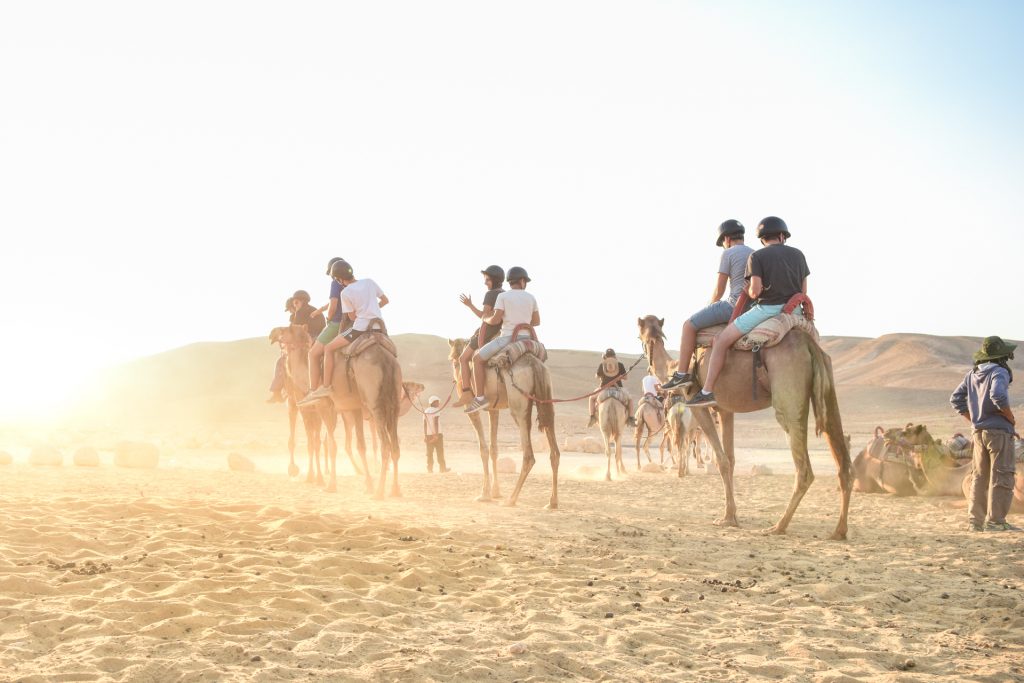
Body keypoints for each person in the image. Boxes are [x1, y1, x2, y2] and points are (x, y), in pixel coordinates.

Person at [687, 217, 808, 408]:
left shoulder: (758, 257)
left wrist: (749, 289)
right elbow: (803, 291)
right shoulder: (799, 255)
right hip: (796, 312)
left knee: (721, 341)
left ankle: (707, 391)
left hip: (767, 310)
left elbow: (756, 292)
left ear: (762, 239)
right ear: (782, 236)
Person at [662, 220, 755, 390]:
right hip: (752, 309)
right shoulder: (755, 253)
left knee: (688, 325)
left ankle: (682, 375)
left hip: (733, 305)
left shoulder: (728, 254)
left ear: (726, 239)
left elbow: (719, 290)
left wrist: (710, 306)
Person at [950, 336, 1020, 532]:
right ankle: (996, 521)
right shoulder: (1000, 372)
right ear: (1003, 355)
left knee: (979, 476)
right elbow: (997, 395)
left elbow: (956, 399)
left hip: (978, 433)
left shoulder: (972, 374)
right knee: (1002, 474)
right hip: (998, 433)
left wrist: (973, 419)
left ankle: (976, 521)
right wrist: (1010, 417)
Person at [301, 260, 389, 402]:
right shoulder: (370, 282)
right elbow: (385, 300)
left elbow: (352, 317)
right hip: (380, 328)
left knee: (329, 348)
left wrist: (363, 313)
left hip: (359, 329)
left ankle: (326, 386)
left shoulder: (346, 292)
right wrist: (373, 310)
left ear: (339, 279)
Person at [465, 266, 539, 413]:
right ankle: (537, 392)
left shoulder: (503, 297)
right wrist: (522, 321)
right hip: (528, 339)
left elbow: (496, 320)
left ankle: (479, 398)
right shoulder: (531, 297)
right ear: (522, 281)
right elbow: (536, 322)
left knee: (477, 359)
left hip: (507, 338)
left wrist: (486, 318)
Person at [453, 265, 505, 407]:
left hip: (487, 332)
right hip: (499, 332)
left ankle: (466, 393)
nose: (485, 282)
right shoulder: (503, 293)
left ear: (494, 279)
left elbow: (484, 317)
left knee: (463, 359)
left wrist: (470, 305)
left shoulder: (491, 294)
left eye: (487, 279)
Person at [307, 257, 347, 396]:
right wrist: (319, 310)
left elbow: (333, 305)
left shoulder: (335, 283)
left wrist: (328, 318)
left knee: (312, 354)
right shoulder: (351, 283)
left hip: (336, 324)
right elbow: (333, 303)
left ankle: (314, 390)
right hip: (351, 324)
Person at [588, 349, 636, 428]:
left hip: (604, 390)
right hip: (618, 389)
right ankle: (631, 418)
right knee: (630, 400)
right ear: (614, 356)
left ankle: (592, 417)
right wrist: (620, 376)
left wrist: (602, 375)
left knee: (591, 399)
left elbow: (597, 376)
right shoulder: (620, 364)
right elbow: (626, 378)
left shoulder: (602, 364)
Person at [267, 296, 296, 403]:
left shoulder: (296, 316)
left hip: (301, 345)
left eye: (290, 309)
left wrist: (281, 334)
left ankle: (277, 392)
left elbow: (294, 333)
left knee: (280, 362)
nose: (290, 312)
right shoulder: (313, 312)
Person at [423, 395, 450, 473]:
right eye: (437, 402)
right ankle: (442, 469)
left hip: (428, 435)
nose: (438, 403)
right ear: (433, 402)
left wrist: (425, 435)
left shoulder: (425, 411)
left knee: (429, 453)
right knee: (440, 452)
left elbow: (424, 424)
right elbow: (436, 422)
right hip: (437, 435)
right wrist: (436, 434)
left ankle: (430, 469)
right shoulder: (436, 410)